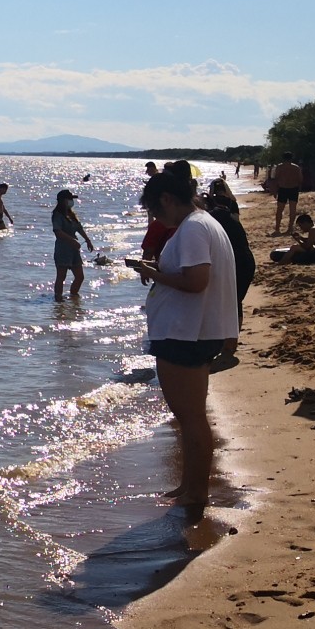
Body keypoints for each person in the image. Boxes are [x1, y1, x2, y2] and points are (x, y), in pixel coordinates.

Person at [130, 172, 238, 514]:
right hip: (191, 331)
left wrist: (153, 273)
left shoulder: (192, 227)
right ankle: (190, 484)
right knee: (189, 417)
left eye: (155, 210)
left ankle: (196, 492)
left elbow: (196, 281)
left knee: (190, 417)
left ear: (165, 199)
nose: (157, 219)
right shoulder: (202, 223)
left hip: (186, 333)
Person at [204, 185, 257, 358]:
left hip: (236, 262)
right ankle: (230, 343)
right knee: (235, 302)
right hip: (246, 261)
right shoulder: (231, 218)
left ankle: (228, 344)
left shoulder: (209, 219)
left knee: (228, 303)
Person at [51, 189, 94, 299]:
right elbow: (58, 232)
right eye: (69, 199)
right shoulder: (57, 215)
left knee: (80, 276)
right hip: (63, 249)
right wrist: (72, 240)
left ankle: (73, 297)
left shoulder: (71, 214)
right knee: (61, 276)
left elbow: (79, 228)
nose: (71, 201)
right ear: (63, 201)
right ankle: (58, 300)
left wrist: (87, 240)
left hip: (74, 250)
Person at [268, 153, 304, 234]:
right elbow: (300, 179)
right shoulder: (296, 167)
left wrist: (274, 190)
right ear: (291, 158)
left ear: (283, 158)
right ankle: (290, 228)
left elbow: (276, 179)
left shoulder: (280, 167)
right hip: (293, 189)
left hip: (283, 189)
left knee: (280, 209)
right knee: (292, 209)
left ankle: (277, 229)